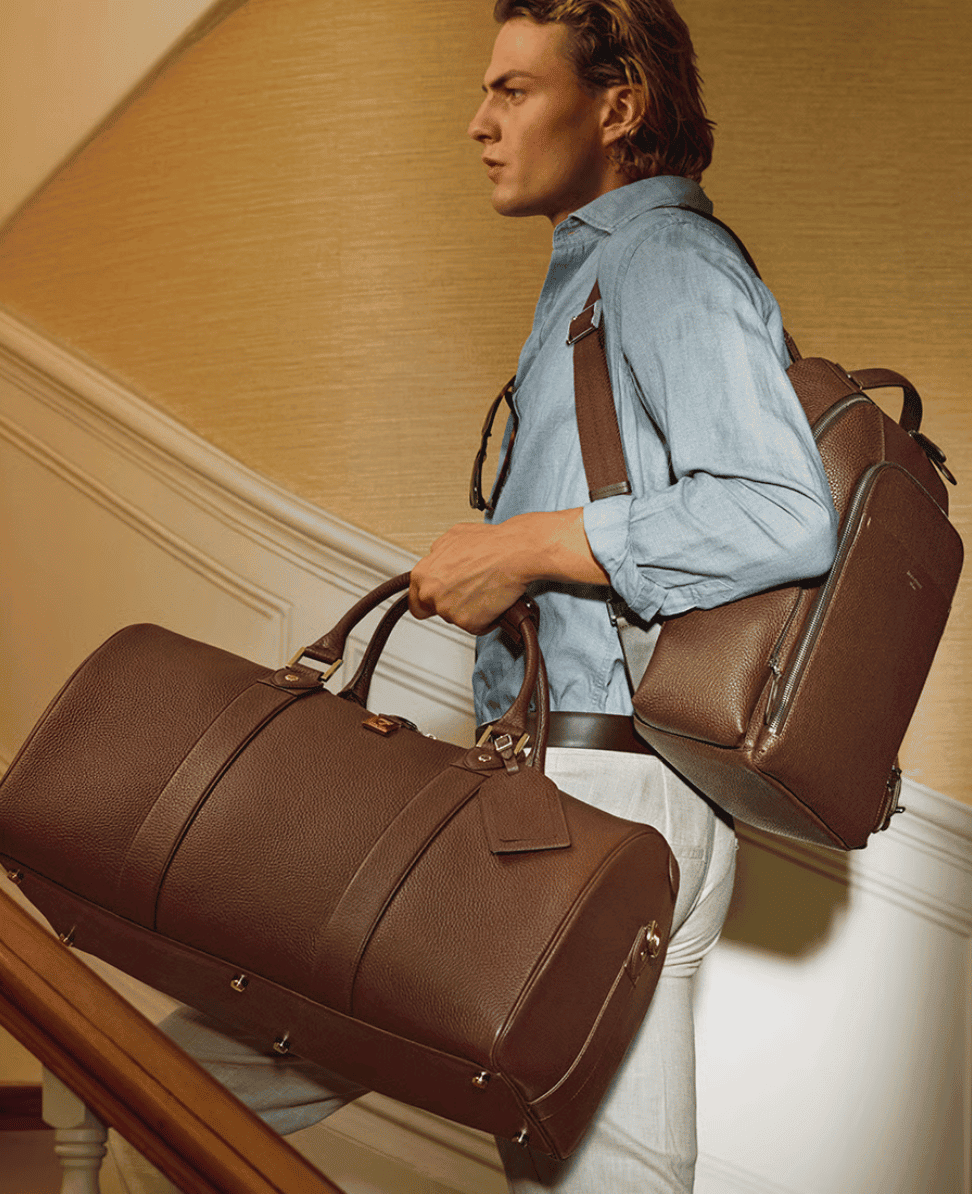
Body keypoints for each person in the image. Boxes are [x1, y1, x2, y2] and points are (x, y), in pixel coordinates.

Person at [120, 2, 839, 1191]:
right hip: (588, 781)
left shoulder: (661, 260)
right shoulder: (603, 271)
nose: (477, 122)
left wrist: (527, 547)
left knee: (526, 1126)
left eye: (513, 90)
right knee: (411, 1065)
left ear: (617, 109)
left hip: (608, 785)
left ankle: (114, 1100)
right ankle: (119, 1097)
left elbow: (783, 510)